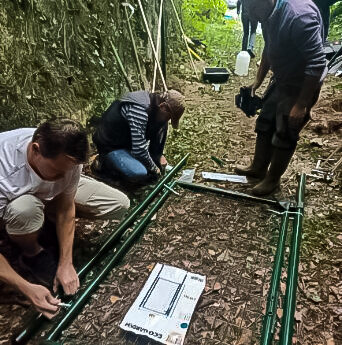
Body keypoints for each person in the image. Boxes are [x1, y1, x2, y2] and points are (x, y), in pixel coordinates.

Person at [0, 119, 130, 318]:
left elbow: (66, 206)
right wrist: (26, 287)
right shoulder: (4, 167)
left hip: (46, 195)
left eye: (68, 170)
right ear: (35, 150)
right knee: (24, 209)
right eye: (57, 171)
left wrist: (66, 263)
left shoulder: (66, 155)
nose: (63, 177)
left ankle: (43, 220)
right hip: (16, 202)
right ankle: (32, 252)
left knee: (119, 204)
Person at [235, 0, 327, 195]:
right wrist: (258, 82)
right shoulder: (268, 13)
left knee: (285, 129)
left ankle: (272, 180)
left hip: (302, 83)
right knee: (265, 120)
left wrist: (301, 104)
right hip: (282, 79)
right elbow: (269, 48)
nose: (253, 19)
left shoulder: (299, 17)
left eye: (254, 12)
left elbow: (317, 63)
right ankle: (258, 168)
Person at [92, 89, 185, 184]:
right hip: (111, 146)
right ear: (163, 107)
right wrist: (154, 168)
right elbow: (139, 150)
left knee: (162, 124)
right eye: (169, 117)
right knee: (139, 172)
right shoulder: (139, 110)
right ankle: (103, 164)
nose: (168, 120)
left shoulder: (156, 106)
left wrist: (157, 157)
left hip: (127, 142)